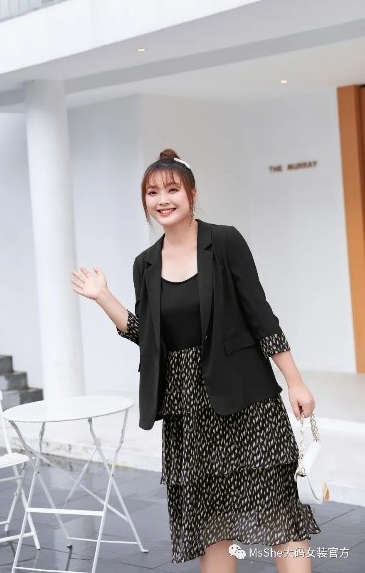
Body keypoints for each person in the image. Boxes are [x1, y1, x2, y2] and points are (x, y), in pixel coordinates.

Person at [70, 148, 321, 573]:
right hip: (187, 409)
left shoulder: (224, 242)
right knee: (211, 524)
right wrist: (103, 298)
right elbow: (149, 338)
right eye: (152, 192)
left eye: (171, 189)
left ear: (191, 194)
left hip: (247, 397)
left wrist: (295, 381)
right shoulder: (145, 264)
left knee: (279, 512)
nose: (162, 199)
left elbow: (260, 315)